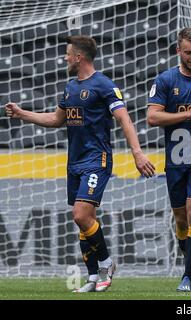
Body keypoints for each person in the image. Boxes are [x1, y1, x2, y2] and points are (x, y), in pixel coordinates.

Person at [5, 35, 155, 293]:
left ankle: (107, 264)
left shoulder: (104, 85)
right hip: (74, 163)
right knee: (84, 220)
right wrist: (22, 114)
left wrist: (137, 153)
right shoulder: (70, 88)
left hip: (97, 160)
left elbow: (124, 119)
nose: (64, 58)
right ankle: (93, 277)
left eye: (67, 54)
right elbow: (55, 119)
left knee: (80, 214)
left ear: (79, 57)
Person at [147, 28, 191, 292]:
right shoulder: (165, 80)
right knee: (181, 219)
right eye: (188, 53)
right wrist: (187, 115)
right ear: (178, 51)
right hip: (175, 158)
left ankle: (190, 274)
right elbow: (152, 117)